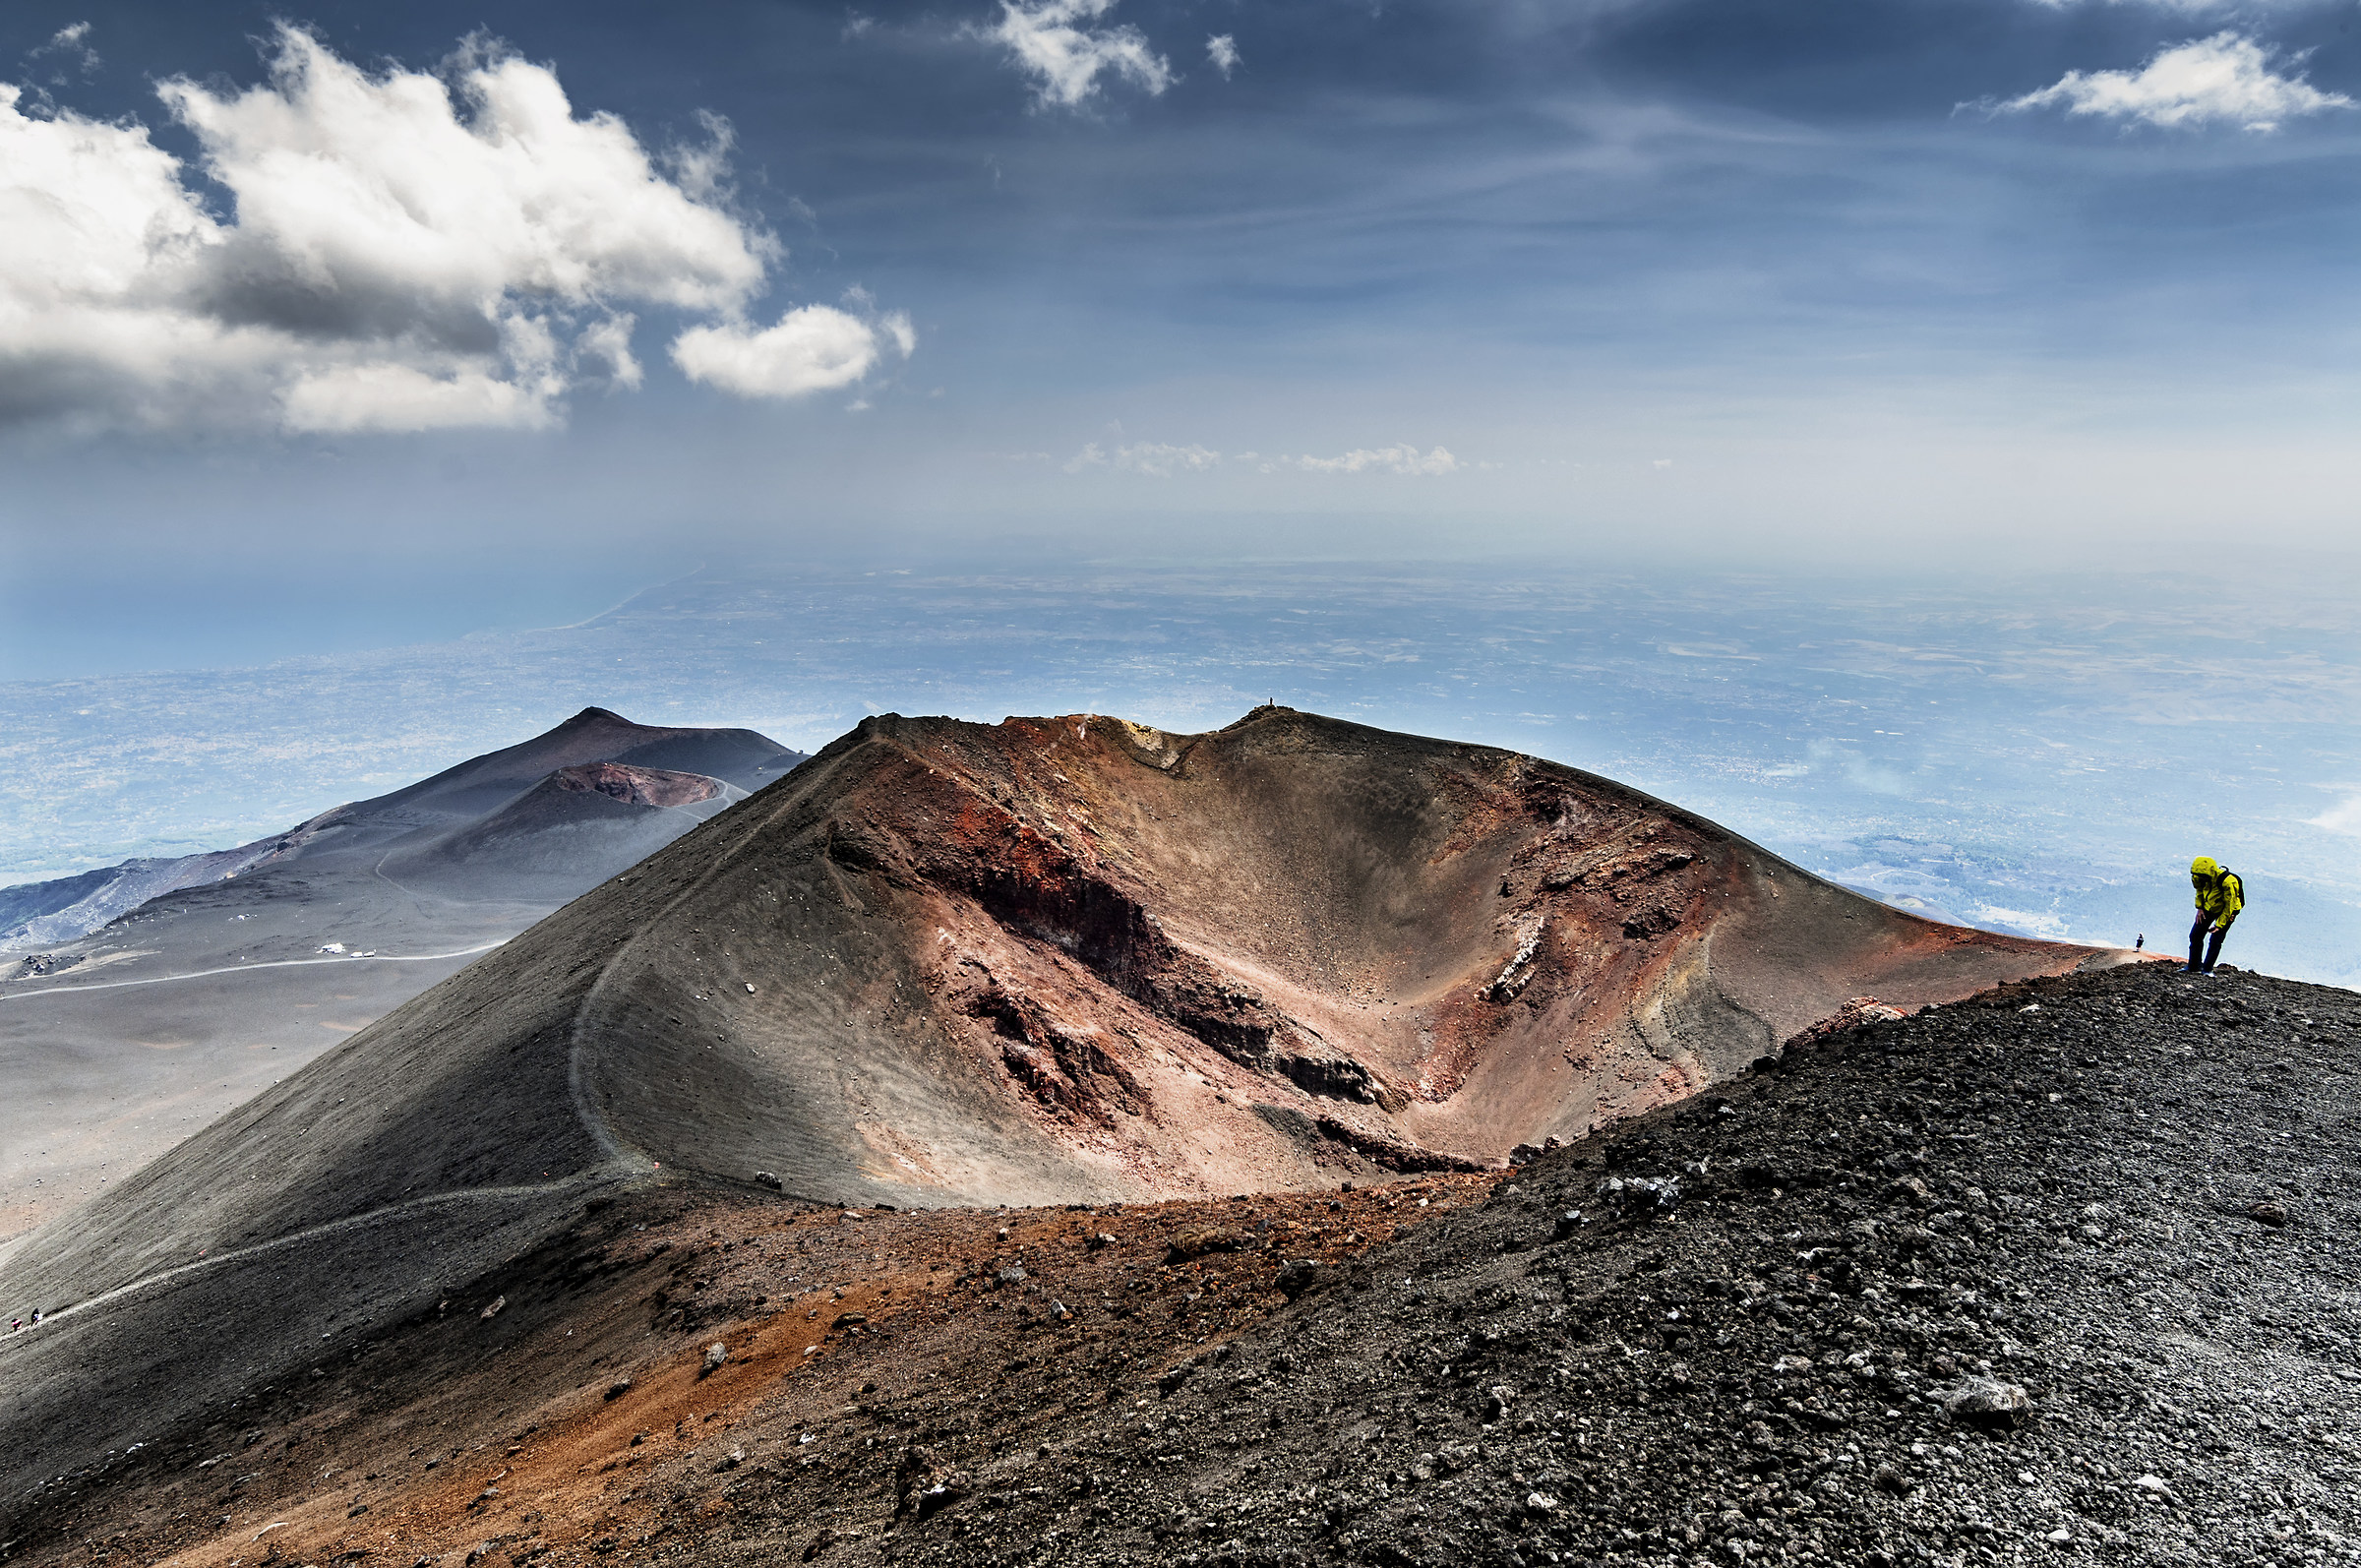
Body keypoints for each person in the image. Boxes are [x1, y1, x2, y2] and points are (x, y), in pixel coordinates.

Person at [2183, 856, 2244, 975]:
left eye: (2203, 876)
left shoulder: (2228, 882)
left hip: (2228, 911)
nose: (2200, 878)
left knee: (2216, 939)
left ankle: (2207, 969)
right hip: (2209, 907)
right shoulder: (2197, 876)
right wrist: (2200, 908)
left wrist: (2220, 925)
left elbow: (2229, 905)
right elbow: (2199, 891)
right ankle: (2194, 966)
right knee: (2195, 936)